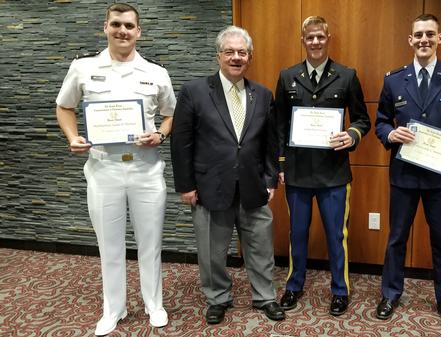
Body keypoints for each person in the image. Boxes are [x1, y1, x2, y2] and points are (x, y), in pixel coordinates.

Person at [55, 3, 175, 336]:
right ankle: (114, 308)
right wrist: (72, 136)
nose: (123, 31)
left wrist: (161, 134)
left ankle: (154, 304)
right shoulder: (82, 68)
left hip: (146, 170)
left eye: (129, 26)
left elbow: (171, 115)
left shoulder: (155, 73)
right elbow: (64, 106)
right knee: (109, 243)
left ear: (139, 32)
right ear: (105, 27)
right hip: (104, 168)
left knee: (150, 242)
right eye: (116, 25)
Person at [170, 26, 285, 324]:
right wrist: (185, 185)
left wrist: (271, 179)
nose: (236, 57)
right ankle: (218, 297)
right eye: (229, 52)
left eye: (242, 52)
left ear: (250, 57)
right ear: (218, 55)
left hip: (253, 186)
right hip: (209, 187)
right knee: (212, 251)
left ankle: (265, 297)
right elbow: (181, 143)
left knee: (261, 247)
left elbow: (270, 143)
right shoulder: (194, 91)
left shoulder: (262, 94)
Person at [374, 14, 441, 329]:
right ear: (410, 40)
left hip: (440, 179)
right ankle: (390, 294)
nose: (423, 40)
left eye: (430, 34)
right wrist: (390, 134)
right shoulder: (393, 79)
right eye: (418, 35)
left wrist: (439, 151)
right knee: (397, 238)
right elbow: (381, 121)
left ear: (439, 38)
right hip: (403, 176)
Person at [275, 16, 371, 316]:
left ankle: (340, 289)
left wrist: (351, 135)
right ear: (302, 40)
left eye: (320, 36)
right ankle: (294, 285)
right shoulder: (287, 76)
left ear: (328, 38)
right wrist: (280, 163)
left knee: (336, 235)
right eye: (309, 37)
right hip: (298, 172)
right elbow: (279, 125)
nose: (315, 42)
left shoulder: (346, 75)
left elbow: (362, 119)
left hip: (334, 173)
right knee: (297, 233)